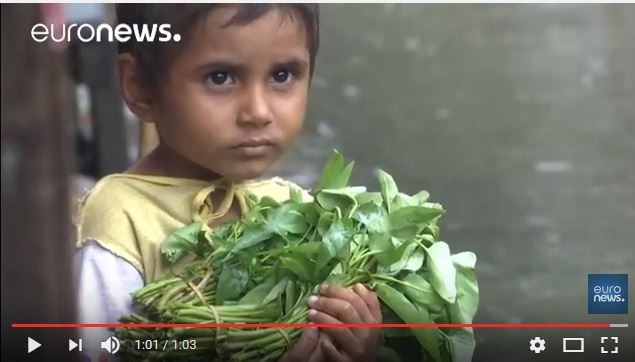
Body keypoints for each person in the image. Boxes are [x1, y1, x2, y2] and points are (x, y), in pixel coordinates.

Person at [73, 4, 382, 362]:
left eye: (282, 75)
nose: (258, 112)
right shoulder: (122, 224)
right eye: (220, 77)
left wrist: (355, 342)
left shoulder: (296, 208)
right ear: (141, 87)